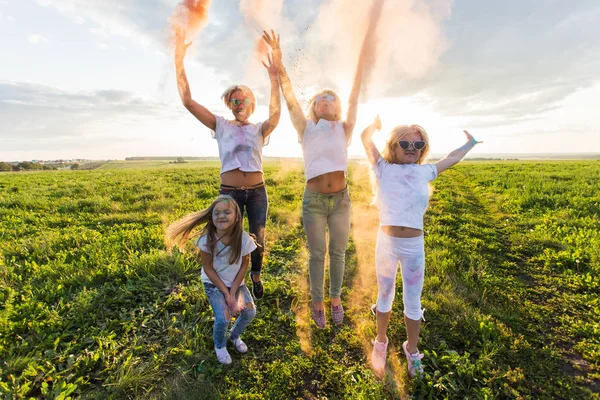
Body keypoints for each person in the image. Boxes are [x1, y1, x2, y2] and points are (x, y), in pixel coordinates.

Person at [262, 29, 371, 328]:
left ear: (335, 107)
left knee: (338, 252)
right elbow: (289, 96)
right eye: (321, 98)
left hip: (341, 200)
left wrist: (361, 62)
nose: (326, 100)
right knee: (317, 253)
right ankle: (317, 302)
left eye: (330, 97)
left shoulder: (343, 129)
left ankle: (335, 298)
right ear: (315, 105)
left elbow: (354, 96)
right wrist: (280, 62)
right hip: (314, 201)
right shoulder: (306, 127)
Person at [360, 115, 481, 377]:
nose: (411, 149)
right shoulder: (383, 167)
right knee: (384, 296)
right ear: (393, 146)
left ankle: (411, 350)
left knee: (413, 302)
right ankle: (381, 342)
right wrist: (374, 127)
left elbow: (451, 158)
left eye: (418, 145)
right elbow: (365, 139)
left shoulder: (425, 171)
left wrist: (469, 144)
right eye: (405, 144)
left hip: (413, 246)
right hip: (387, 244)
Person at [174, 28, 281, 299]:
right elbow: (187, 101)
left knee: (258, 237)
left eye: (244, 98)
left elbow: (276, 114)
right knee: (228, 238)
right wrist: (179, 61)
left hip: (257, 191)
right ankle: (229, 280)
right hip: (230, 192)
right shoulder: (220, 125)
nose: (239, 102)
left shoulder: (259, 128)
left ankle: (255, 274)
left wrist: (274, 78)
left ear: (251, 103)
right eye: (234, 99)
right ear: (229, 104)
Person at [166, 195, 258, 365]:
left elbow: (244, 266)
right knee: (223, 318)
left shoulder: (244, 239)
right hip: (213, 283)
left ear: (237, 216)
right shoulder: (207, 239)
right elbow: (208, 268)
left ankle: (234, 336)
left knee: (250, 312)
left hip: (236, 283)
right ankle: (220, 346)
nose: (221, 216)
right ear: (211, 217)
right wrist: (226, 293)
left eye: (227, 212)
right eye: (216, 213)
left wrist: (233, 292)